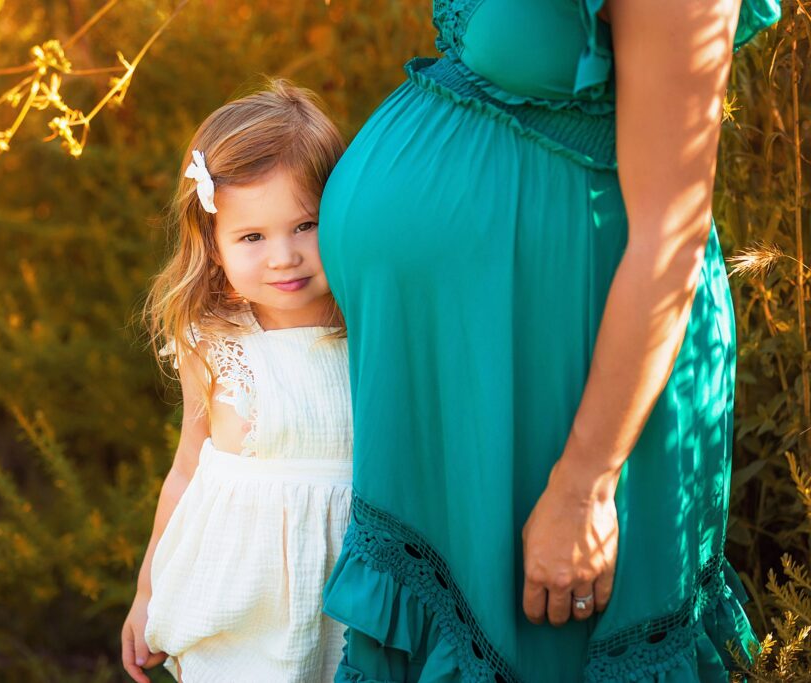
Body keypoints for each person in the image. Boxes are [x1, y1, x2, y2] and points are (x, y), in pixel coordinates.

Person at [317, 0, 781, 680]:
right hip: (469, 358)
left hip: (566, 354)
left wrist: (584, 487)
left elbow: (671, 237)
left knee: (541, 638)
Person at [120, 79, 350, 683]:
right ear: (214, 246)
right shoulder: (216, 340)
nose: (284, 256)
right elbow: (186, 467)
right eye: (252, 237)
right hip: (239, 600)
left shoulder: (372, 327)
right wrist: (148, 593)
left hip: (349, 595)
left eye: (306, 225)